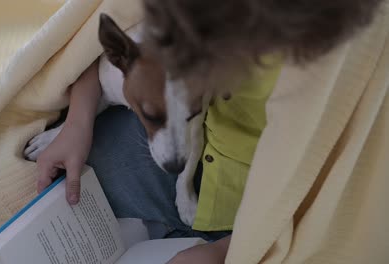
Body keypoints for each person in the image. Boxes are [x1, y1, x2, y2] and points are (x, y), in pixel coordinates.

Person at [35, 0, 382, 263]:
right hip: (188, 173)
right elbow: (95, 40)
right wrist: (78, 123)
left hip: (257, 207)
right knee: (34, 186)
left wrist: (222, 251)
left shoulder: (339, 73)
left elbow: (338, 202)